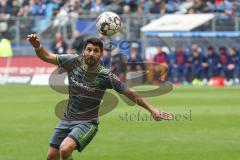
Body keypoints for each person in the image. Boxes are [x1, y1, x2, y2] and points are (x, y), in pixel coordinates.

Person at [27, 34, 172, 160]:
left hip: (87, 122)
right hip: (67, 118)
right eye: (89, 49)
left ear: (101, 54)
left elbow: (129, 93)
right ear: (83, 51)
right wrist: (38, 46)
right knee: (51, 157)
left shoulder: (105, 75)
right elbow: (46, 56)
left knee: (65, 150)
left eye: (95, 51)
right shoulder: (72, 61)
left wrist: (152, 109)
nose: (91, 53)